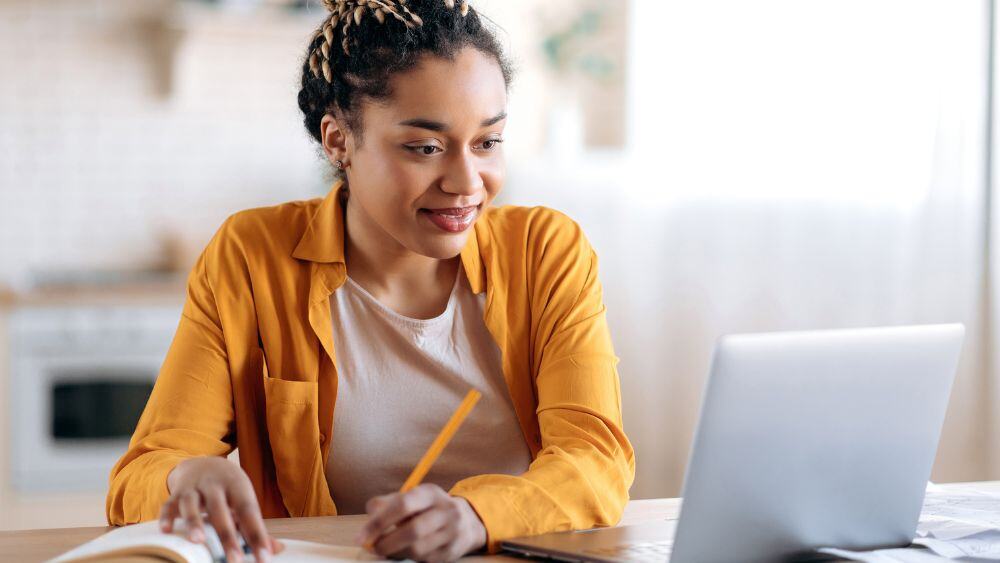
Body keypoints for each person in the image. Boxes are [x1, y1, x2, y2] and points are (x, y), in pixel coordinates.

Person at [105, 0, 635, 561]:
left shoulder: (546, 252)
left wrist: (478, 516)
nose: (466, 182)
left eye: (487, 142)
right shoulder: (252, 257)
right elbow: (140, 476)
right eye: (425, 148)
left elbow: (596, 460)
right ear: (338, 141)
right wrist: (184, 478)